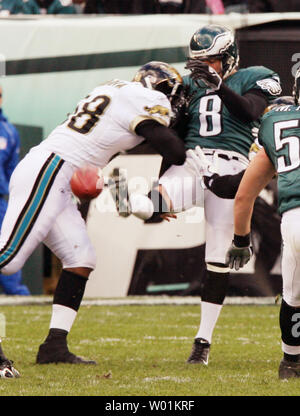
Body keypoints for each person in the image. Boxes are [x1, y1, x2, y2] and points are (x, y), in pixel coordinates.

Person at [0, 61, 186, 378]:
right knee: (8, 260)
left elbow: (98, 147)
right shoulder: (143, 99)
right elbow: (174, 151)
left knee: (81, 257)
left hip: (57, 173)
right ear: (159, 88)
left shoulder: (114, 90)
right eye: (172, 96)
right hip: (49, 172)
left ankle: (54, 347)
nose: (173, 106)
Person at [116, 24, 282, 365]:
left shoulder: (254, 76)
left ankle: (202, 343)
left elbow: (250, 111)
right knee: (152, 203)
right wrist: (162, 176)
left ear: (230, 56)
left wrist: (219, 87)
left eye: (213, 61)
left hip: (232, 167)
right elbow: (175, 138)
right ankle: (131, 202)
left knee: (218, 258)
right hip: (193, 162)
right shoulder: (189, 84)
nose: (206, 67)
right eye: (201, 62)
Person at [226, 68, 300, 379]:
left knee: (294, 295)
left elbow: (244, 196)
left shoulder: (275, 122)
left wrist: (241, 240)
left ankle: (291, 363)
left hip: (295, 218)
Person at [0, 87, 30, 296]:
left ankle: (19, 299)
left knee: (6, 251)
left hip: (0, 202)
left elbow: (12, 170)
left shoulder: (8, 131)